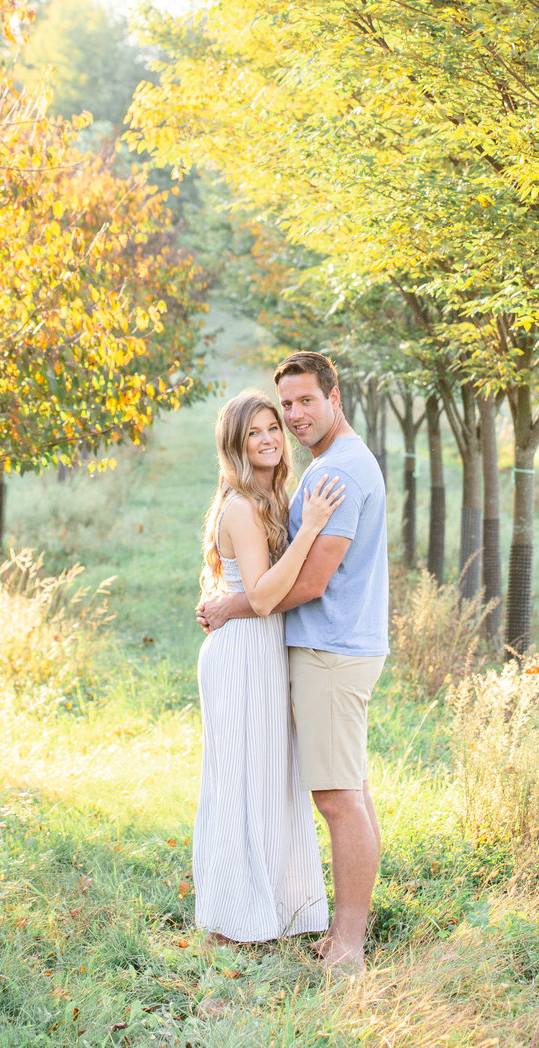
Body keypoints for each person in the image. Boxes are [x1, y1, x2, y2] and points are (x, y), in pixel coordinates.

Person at [198, 352, 389, 974]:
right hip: (316, 650)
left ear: (335, 396)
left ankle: (347, 945)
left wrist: (231, 606)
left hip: (331, 651)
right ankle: (311, 921)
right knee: (344, 792)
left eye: (306, 402)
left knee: (338, 799)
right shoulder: (314, 475)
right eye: (286, 408)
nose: (293, 419)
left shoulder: (339, 474)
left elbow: (305, 585)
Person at [192, 387, 345, 945]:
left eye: (272, 429)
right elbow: (258, 597)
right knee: (240, 780)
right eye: (253, 433)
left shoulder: (266, 499)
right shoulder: (241, 505)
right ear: (235, 445)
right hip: (242, 655)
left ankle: (278, 907)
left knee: (272, 780)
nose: (267, 440)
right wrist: (310, 529)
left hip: (261, 649)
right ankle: (232, 919)